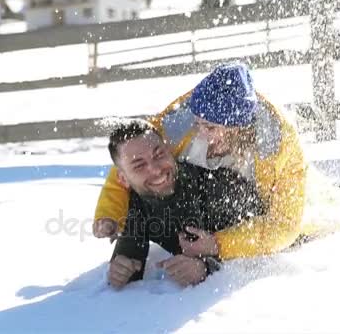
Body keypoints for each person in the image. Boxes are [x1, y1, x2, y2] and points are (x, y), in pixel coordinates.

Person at [94, 62, 340, 260]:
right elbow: (131, 157)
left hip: (303, 203)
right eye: (199, 123)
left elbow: (284, 226)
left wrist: (219, 245)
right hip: (226, 202)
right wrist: (110, 213)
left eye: (210, 128)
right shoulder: (183, 117)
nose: (200, 132)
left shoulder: (279, 146)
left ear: (239, 128)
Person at [106, 119, 265, 289]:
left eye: (159, 155)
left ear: (169, 151)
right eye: (139, 166)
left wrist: (207, 268)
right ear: (123, 179)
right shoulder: (137, 200)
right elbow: (130, 258)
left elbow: (264, 247)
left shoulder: (218, 188)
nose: (156, 169)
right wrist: (121, 269)